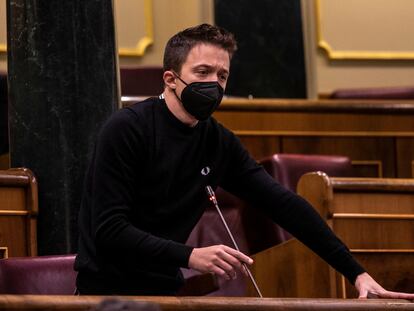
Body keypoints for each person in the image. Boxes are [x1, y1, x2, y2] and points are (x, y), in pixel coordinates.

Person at [75, 23, 414, 299]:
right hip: (107, 294)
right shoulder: (126, 129)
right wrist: (190, 255)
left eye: (221, 76)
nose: (214, 84)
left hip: (165, 293)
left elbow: (285, 206)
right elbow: (109, 229)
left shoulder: (217, 140)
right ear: (170, 79)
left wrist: (356, 272)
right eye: (203, 72)